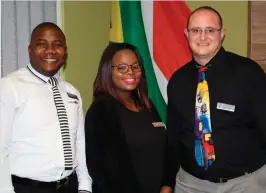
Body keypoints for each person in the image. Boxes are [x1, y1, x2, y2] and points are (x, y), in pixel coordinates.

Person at [161, 6, 266, 193]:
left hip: (245, 184)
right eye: (196, 30)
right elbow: (174, 138)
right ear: (187, 34)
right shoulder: (178, 81)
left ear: (222, 34)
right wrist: (168, 183)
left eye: (210, 30)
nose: (202, 37)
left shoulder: (249, 73)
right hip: (191, 184)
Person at [0, 22, 92, 193]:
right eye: (42, 44)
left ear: (65, 52)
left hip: (69, 187)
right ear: (30, 50)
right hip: (26, 188)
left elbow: (79, 143)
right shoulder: (9, 86)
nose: (50, 50)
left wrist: (85, 186)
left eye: (57, 45)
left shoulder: (72, 92)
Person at [85, 43, 166, 193]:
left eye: (135, 66)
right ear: (107, 71)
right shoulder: (101, 110)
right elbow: (102, 171)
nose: (130, 72)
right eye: (122, 68)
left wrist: (167, 186)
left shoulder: (147, 104)